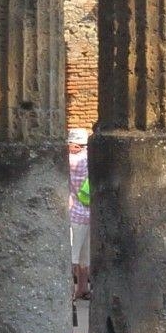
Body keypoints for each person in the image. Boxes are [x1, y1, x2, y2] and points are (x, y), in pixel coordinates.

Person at [68, 128, 91, 300]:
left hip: (74, 214)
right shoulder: (89, 158)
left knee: (72, 256)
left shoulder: (71, 160)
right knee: (85, 257)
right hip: (90, 213)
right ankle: (83, 288)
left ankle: (70, 291)